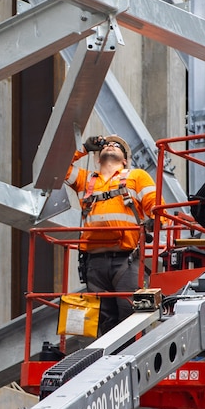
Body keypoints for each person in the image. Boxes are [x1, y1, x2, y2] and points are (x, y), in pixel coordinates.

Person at [65, 134, 157, 335]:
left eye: (118, 145)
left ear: (125, 160)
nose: (111, 145)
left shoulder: (136, 177)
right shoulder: (86, 180)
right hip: (94, 263)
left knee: (130, 316)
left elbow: (156, 207)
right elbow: (57, 168)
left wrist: (155, 220)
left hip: (126, 260)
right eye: (107, 145)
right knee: (103, 323)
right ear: (98, 158)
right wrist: (83, 148)